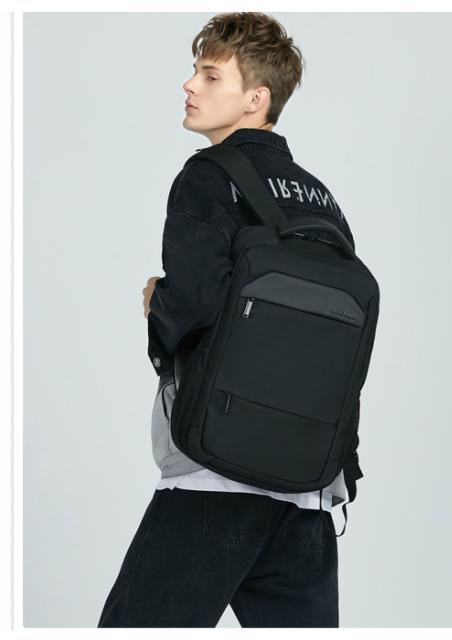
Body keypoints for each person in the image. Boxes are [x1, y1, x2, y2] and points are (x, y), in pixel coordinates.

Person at [97, 12, 361, 628]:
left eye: (210, 75)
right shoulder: (320, 199)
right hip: (308, 490)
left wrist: (156, 303)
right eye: (195, 71)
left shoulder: (208, 175)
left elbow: (193, 305)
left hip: (214, 480)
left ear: (255, 98)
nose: (190, 85)